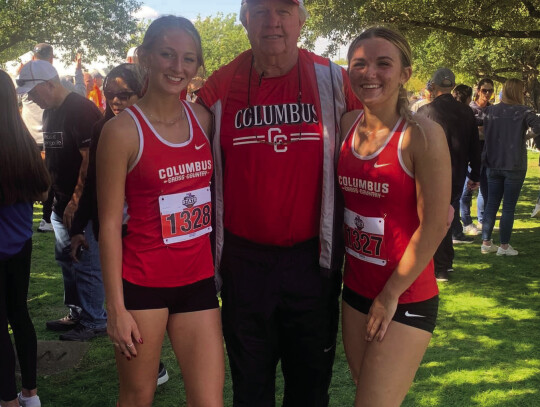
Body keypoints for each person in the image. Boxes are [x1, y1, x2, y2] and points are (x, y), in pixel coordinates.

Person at [196, 0, 361, 405]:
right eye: (260, 10)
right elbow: (177, 146)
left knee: (309, 385)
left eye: (284, 10)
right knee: (250, 386)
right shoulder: (220, 86)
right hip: (243, 262)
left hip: (312, 261)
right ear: (244, 20)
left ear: (302, 20)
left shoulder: (335, 81)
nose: (273, 21)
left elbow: (380, 142)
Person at [97, 16, 224, 407]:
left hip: (198, 282)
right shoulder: (121, 132)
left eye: (189, 58)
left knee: (209, 400)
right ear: (146, 57)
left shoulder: (203, 121)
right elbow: (107, 226)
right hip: (142, 284)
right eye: (168, 54)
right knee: (138, 396)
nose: (178, 67)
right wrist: (115, 308)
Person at [338, 27, 450, 406]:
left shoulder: (423, 135)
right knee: (364, 388)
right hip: (355, 290)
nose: (370, 73)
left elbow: (435, 224)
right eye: (360, 64)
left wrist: (390, 296)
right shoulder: (346, 125)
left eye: (383, 63)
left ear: (404, 73)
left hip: (404, 295)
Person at [70, 62, 169, 386]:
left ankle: (151, 366)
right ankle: (146, 366)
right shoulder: (104, 128)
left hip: (149, 235)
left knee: (143, 303)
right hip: (112, 232)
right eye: (111, 95)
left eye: (124, 95)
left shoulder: (160, 128)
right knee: (122, 301)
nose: (115, 102)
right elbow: (93, 182)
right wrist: (77, 228)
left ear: (142, 92)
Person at [16, 60, 107, 341]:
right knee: (67, 259)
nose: (31, 98)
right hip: (60, 201)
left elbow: (90, 159)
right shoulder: (50, 112)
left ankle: (95, 319)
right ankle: (78, 312)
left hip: (81, 204)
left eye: (34, 92)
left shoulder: (79, 109)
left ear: (50, 84)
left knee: (86, 262)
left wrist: (76, 200)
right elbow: (54, 155)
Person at [0, 69, 50, 407]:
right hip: (21, 243)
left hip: (7, 243)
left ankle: (7, 400)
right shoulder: (24, 144)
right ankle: (29, 394)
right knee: (19, 314)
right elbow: (43, 191)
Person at [418, 69, 481, 281]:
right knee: (446, 214)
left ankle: (441, 266)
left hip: (433, 174)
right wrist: (475, 174)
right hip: (457, 174)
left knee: (438, 217)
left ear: (433, 86)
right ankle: (444, 263)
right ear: (452, 86)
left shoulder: (425, 112)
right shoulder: (466, 112)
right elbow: (475, 147)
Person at [480, 78, 540, 256]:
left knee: (491, 203)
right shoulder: (523, 111)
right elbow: (538, 126)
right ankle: (504, 246)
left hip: (493, 162)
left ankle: (486, 242)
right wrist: (525, 136)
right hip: (513, 163)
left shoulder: (490, 110)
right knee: (508, 206)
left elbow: (483, 129)